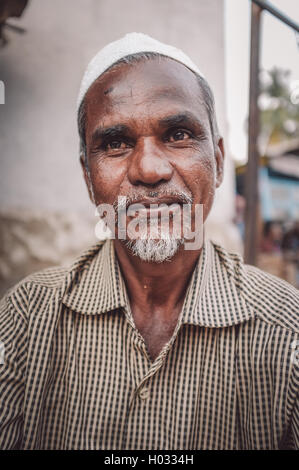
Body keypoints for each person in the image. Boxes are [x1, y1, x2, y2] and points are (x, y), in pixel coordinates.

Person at [0, 33, 298, 450]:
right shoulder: (25, 320)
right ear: (89, 178)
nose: (149, 169)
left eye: (178, 134)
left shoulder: (287, 330)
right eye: (116, 143)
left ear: (217, 161)